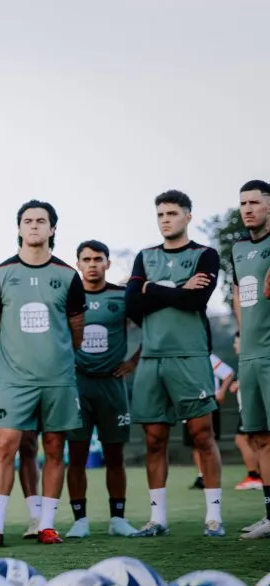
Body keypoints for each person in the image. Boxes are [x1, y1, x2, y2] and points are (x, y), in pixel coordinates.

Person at [0, 200, 85, 549]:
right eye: (28, 221)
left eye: (41, 221)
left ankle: (47, 525)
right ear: (19, 228)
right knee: (5, 446)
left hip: (58, 379)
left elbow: (76, 330)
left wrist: (56, 358)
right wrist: (16, 359)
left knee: (55, 448)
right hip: (15, 380)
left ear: (53, 229)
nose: (34, 226)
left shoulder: (68, 275)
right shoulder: (1, 274)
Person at [126, 190, 223, 537]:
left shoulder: (205, 255)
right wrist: (177, 290)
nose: (165, 219)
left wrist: (154, 289)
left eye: (172, 213)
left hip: (191, 356)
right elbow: (131, 305)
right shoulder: (145, 256)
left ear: (187, 216)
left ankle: (214, 516)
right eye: (160, 215)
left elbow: (198, 298)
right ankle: (158, 519)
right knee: (153, 440)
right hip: (152, 358)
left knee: (202, 435)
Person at [64, 240, 140, 539]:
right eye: (86, 259)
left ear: (108, 263)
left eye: (98, 259)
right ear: (78, 264)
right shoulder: (68, 297)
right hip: (78, 384)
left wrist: (133, 361)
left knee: (115, 455)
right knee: (77, 454)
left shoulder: (122, 297)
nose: (92, 264)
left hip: (112, 385)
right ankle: (79, 520)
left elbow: (154, 327)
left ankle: (117, 519)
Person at [0, 336, 44, 537]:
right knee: (6, 447)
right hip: (12, 380)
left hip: (46, 375)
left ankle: (38, 517)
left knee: (30, 444)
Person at [232, 179, 270, 538]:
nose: (248, 209)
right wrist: (244, 339)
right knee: (258, 437)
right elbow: (238, 296)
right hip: (251, 355)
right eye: (243, 203)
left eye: (255, 203)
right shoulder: (238, 249)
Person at [187, 353, 234, 489]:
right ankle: (201, 476)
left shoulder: (208, 357)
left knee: (208, 441)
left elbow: (228, 373)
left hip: (208, 403)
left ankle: (212, 476)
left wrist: (221, 392)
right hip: (190, 403)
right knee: (194, 442)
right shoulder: (182, 358)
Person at [228, 331, 262, 491]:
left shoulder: (252, 358)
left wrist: (240, 384)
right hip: (247, 407)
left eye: (237, 341)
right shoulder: (244, 361)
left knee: (243, 440)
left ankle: (254, 476)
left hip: (251, 406)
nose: (235, 345)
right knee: (250, 441)